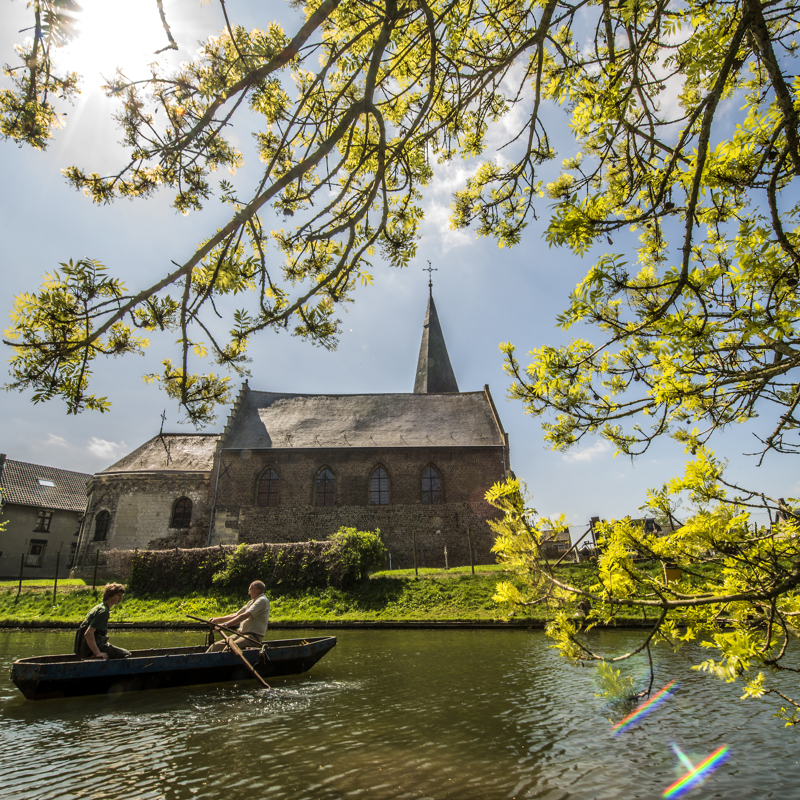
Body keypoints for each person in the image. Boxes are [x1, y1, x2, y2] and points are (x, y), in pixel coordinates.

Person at [206, 580, 270, 652]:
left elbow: (245, 615)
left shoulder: (262, 600)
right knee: (214, 647)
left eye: (250, 590)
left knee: (229, 649)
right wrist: (216, 620)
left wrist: (225, 625)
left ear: (255, 589)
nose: (249, 593)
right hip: (241, 635)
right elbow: (236, 615)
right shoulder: (252, 602)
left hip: (252, 637)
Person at [74, 583, 132, 660]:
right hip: (90, 649)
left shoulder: (99, 607)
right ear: (109, 596)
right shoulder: (103, 611)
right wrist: (97, 653)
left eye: (121, 595)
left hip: (83, 649)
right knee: (127, 654)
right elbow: (88, 634)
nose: (121, 598)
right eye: (118, 595)